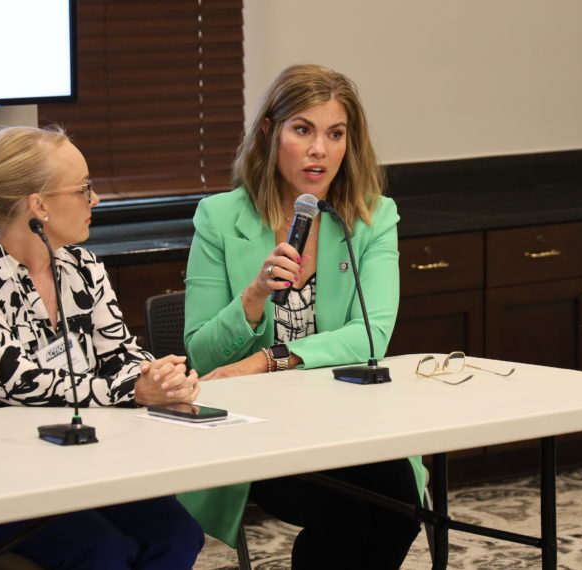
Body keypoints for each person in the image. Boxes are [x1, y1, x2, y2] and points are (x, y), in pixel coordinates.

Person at [181, 64, 424, 569]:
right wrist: (252, 296)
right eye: (303, 130)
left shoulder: (373, 217)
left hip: (351, 416)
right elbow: (202, 354)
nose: (320, 150)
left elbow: (372, 336)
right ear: (270, 133)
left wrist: (270, 359)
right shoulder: (220, 218)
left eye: (336, 134)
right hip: (262, 426)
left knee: (400, 511)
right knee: (347, 519)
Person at [0, 125, 205, 569]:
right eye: (83, 189)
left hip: (80, 466)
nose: (95, 200)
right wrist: (132, 389)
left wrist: (156, 376)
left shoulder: (83, 268)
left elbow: (118, 351)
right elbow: (19, 384)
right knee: (102, 551)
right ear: (38, 206)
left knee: (178, 534)